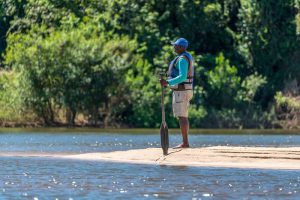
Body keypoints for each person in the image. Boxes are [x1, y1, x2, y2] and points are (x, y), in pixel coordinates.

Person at [160, 38, 194, 148]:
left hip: (182, 91)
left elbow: (183, 76)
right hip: (183, 90)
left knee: (182, 116)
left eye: (176, 45)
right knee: (182, 116)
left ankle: (185, 143)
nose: (174, 47)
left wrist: (168, 82)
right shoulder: (184, 57)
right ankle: (185, 142)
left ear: (181, 47)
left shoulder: (182, 59)